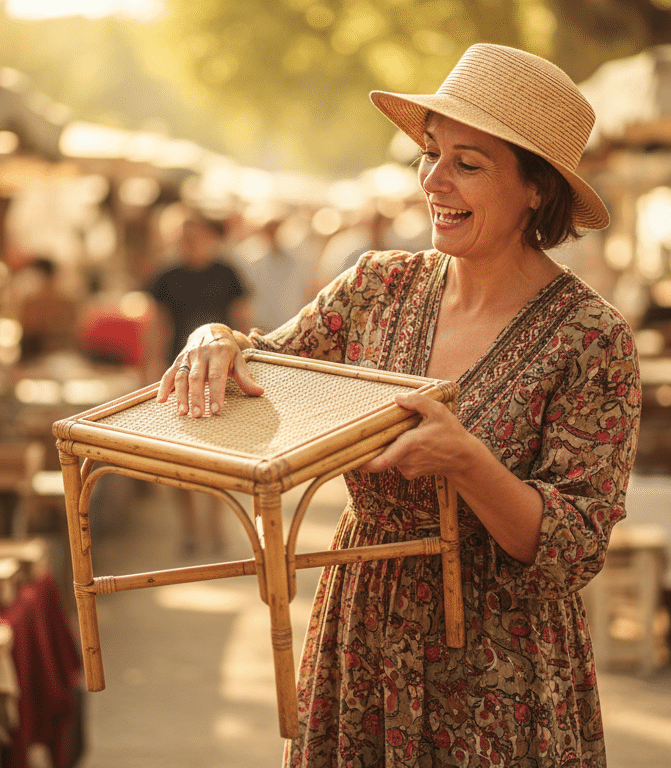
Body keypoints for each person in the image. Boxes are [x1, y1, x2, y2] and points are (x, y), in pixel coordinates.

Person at [156, 44, 641, 766]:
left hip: (500, 664)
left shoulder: (592, 338)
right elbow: (261, 368)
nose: (433, 181)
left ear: (536, 189)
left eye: (468, 164)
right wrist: (211, 337)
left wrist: (469, 463)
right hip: (364, 628)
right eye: (431, 152)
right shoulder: (377, 286)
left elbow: (572, 549)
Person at [148, 208, 254, 556]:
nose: (188, 241)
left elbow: (242, 319)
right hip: (177, 372)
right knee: (180, 457)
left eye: (193, 234)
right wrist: (151, 365)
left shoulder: (226, 272)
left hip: (222, 371)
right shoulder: (166, 275)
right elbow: (157, 325)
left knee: (221, 454)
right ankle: (190, 528)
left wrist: (248, 360)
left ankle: (216, 524)